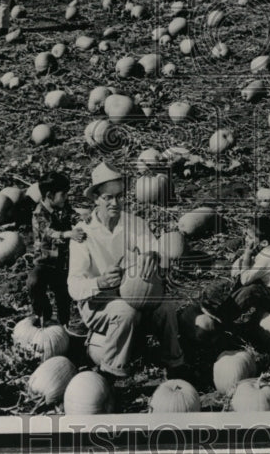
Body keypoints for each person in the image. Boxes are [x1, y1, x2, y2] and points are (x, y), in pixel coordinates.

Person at [67, 162, 186, 379]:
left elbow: (154, 249)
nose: (115, 202)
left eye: (119, 196)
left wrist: (153, 255)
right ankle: (112, 373)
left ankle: (175, 366)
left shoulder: (135, 223)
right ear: (95, 198)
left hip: (134, 293)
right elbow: (73, 286)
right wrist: (100, 282)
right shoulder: (83, 234)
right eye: (108, 197)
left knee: (166, 307)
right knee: (125, 312)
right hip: (99, 302)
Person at [200, 216, 270, 324]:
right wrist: (244, 258)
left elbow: (244, 280)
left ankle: (224, 316)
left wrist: (247, 256)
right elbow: (236, 272)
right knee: (250, 282)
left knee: (252, 290)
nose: (246, 239)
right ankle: (224, 307)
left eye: (250, 237)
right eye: (246, 235)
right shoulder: (263, 253)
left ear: (264, 243)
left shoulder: (267, 257)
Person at [28, 171, 86, 332]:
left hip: (62, 261)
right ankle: (44, 316)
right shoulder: (39, 213)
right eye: (63, 194)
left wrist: (82, 219)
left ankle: (64, 325)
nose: (66, 197)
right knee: (34, 283)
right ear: (49, 195)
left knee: (63, 294)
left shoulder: (63, 206)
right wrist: (68, 234)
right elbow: (49, 232)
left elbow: (72, 215)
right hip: (45, 262)